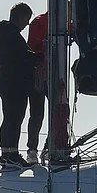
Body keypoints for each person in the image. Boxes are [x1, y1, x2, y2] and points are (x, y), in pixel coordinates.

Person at [0, 2, 37, 167]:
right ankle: (11, 154)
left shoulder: (5, 34)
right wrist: (39, 56)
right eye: (27, 19)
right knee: (14, 118)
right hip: (13, 82)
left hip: (5, 81)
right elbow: (22, 57)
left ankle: (7, 153)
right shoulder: (11, 35)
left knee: (9, 118)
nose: (27, 24)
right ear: (21, 17)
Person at [26, 11, 70, 162]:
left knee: (60, 110)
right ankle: (32, 150)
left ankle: (49, 146)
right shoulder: (39, 21)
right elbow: (31, 46)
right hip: (38, 72)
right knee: (37, 113)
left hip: (56, 73)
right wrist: (46, 45)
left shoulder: (66, 23)